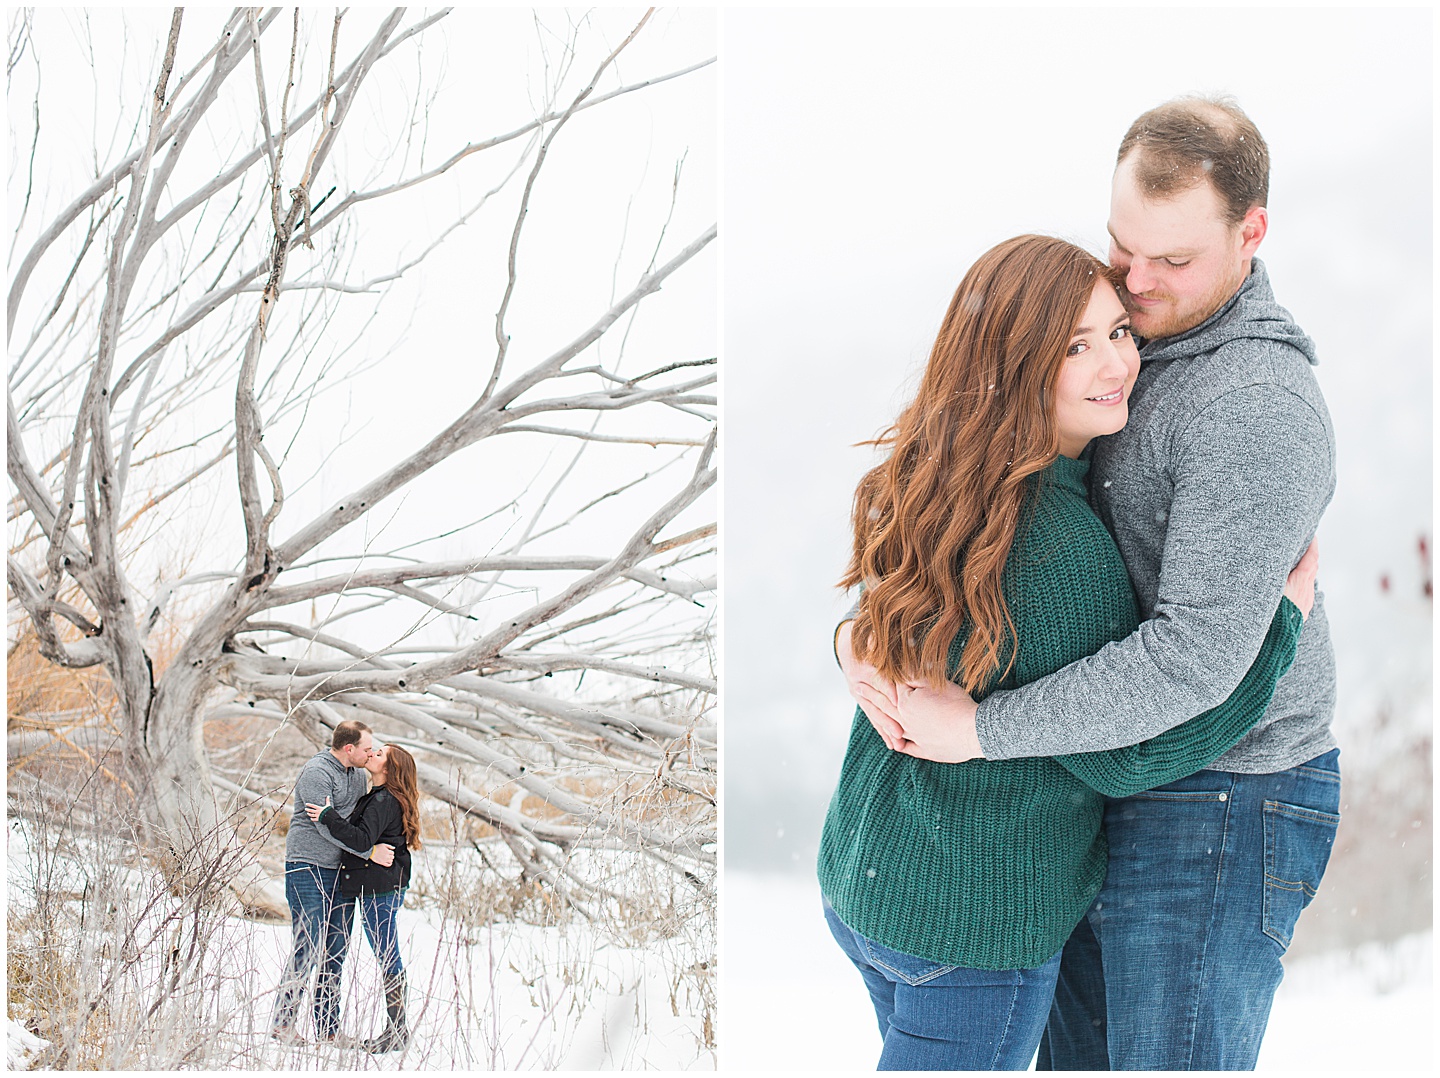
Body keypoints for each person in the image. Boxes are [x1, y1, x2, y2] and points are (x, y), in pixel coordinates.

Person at [837, 96, 1339, 1070]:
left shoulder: (1256, 407)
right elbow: (965, 525)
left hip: (1221, 793)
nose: (1138, 288)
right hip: (1084, 779)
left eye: (1173, 262)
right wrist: (864, 642)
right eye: (1123, 250)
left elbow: (1190, 662)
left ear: (1252, 232)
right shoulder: (1128, 339)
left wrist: (977, 729)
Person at [271, 720, 394, 1043]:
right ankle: (283, 1024)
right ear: (349, 748)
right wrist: (369, 851)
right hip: (307, 866)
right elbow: (326, 825)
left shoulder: (356, 775)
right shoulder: (317, 772)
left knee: (335, 948)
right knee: (308, 944)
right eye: (367, 749)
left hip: (340, 871)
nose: (370, 754)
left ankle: (328, 1030)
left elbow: (353, 822)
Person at [306, 743, 422, 1054]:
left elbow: (361, 839)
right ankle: (396, 1029)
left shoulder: (384, 800)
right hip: (377, 886)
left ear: (390, 769)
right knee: (386, 954)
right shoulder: (376, 797)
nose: (371, 754)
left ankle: (397, 1031)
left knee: (387, 955)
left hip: (380, 890)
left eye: (380, 754)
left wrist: (328, 816)